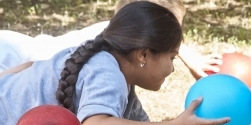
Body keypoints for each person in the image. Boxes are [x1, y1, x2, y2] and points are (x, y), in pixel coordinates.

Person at [0, 1, 229, 125]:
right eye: (172, 57)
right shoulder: (105, 70)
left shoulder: (119, 79)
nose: (173, 68)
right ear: (144, 55)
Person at [0, 0, 222, 79]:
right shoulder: (100, 50)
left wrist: (190, 57)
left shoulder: (121, 44)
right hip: (10, 59)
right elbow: (28, 67)